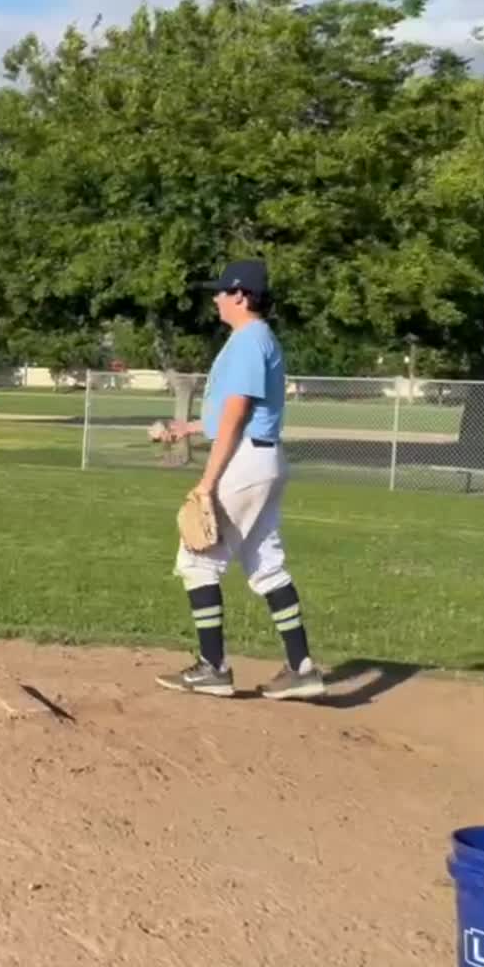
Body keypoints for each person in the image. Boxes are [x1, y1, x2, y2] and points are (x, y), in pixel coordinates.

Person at [156, 259, 324, 701]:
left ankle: (212, 667)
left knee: (198, 559)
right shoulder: (253, 338)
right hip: (262, 457)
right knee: (265, 563)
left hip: (245, 461)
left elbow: (237, 413)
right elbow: (230, 415)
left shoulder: (250, 339)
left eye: (222, 291)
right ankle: (302, 668)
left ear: (242, 296)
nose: (216, 298)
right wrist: (188, 429)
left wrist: (206, 483)